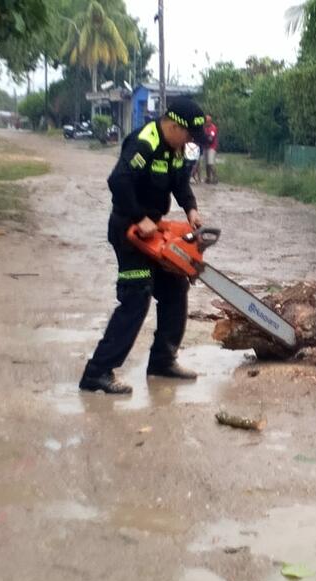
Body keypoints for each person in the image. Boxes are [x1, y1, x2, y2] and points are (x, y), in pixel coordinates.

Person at [79, 98, 207, 394]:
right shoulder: (145, 141)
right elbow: (118, 181)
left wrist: (191, 209)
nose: (189, 140)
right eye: (187, 134)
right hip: (129, 229)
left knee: (175, 288)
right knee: (137, 296)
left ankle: (163, 360)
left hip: (154, 232)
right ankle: (96, 373)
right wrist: (139, 216)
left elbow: (179, 182)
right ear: (173, 125)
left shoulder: (174, 149)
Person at [202, 114, 219, 184]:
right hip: (205, 147)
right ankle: (208, 178)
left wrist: (204, 138)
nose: (205, 123)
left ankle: (215, 178)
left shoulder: (213, 128)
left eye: (207, 121)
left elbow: (210, 139)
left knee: (211, 163)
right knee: (206, 164)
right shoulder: (204, 128)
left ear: (210, 121)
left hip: (212, 147)